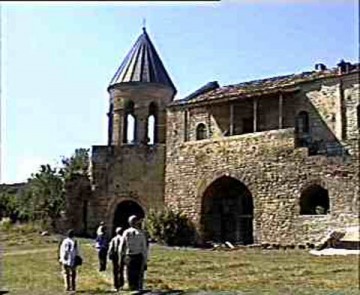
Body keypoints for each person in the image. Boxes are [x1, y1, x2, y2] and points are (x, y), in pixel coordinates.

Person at [120, 215, 148, 291]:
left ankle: (131, 287)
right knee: (138, 274)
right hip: (138, 255)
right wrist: (145, 260)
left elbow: (122, 245)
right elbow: (144, 248)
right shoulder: (141, 233)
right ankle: (138, 288)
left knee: (130, 274)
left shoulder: (126, 232)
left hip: (129, 255)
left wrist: (121, 256)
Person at [108, 227, 125, 291]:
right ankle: (121, 284)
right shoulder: (123, 239)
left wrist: (109, 254)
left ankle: (116, 285)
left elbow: (111, 248)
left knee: (115, 271)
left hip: (115, 256)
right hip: (122, 256)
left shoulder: (114, 239)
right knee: (121, 270)